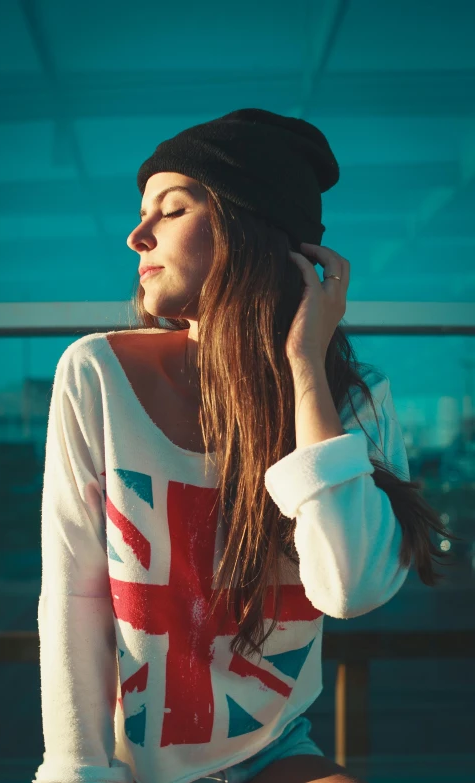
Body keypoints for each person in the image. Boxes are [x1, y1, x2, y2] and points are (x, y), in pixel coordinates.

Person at [32, 109, 456, 783]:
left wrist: (306, 371)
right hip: (128, 766)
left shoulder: (355, 398)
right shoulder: (96, 374)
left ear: (244, 228)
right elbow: (74, 593)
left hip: (275, 754)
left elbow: (350, 588)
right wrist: (78, 771)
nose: (137, 235)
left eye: (171, 210)